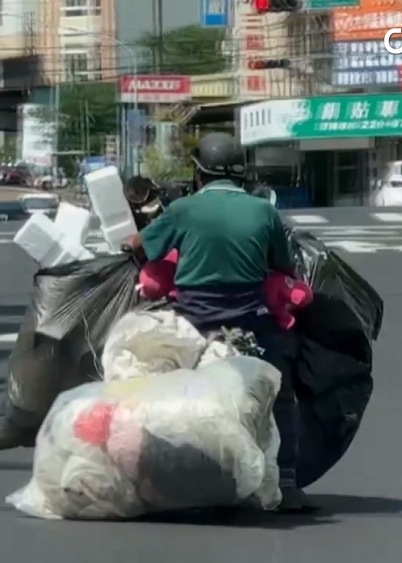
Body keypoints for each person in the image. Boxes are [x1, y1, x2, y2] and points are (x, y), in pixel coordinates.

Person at [123, 132, 315, 513]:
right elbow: (282, 267)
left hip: (192, 320)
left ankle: (151, 477)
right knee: (281, 391)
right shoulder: (263, 211)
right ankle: (288, 482)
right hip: (252, 322)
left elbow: (137, 245)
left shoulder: (184, 209)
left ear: (199, 173)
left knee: (150, 387)